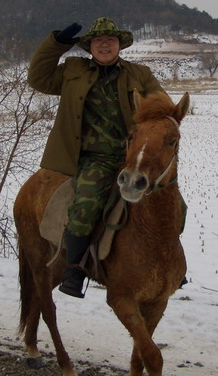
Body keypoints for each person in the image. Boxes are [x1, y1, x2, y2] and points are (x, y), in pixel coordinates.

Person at [28, 18, 167, 298]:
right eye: (98, 41)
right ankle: (75, 268)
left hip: (132, 156)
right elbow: (38, 78)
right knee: (86, 205)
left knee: (172, 202)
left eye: (110, 40)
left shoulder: (139, 74)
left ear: (120, 45)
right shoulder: (72, 70)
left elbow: (162, 105)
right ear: (90, 46)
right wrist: (57, 45)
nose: (105, 45)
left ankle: (167, 265)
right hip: (95, 158)